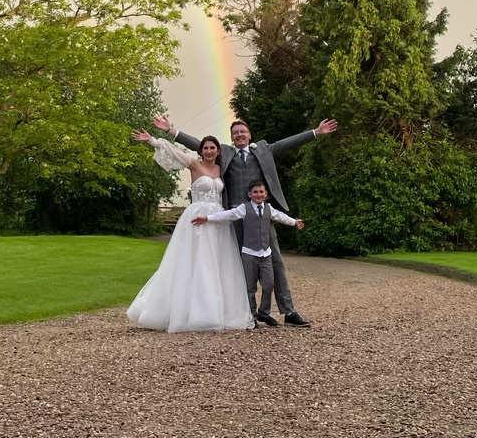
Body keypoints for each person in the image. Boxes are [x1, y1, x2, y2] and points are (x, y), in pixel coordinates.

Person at [153, 114, 338, 327]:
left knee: (275, 262)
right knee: (240, 266)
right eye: (235, 133)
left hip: (261, 217)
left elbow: (288, 143)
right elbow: (200, 144)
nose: (239, 135)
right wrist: (170, 131)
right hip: (234, 217)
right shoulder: (226, 153)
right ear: (232, 138)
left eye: (243, 132)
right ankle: (248, 312)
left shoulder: (264, 149)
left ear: (249, 135)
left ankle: (289, 312)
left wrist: (315, 132)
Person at [126, 128, 254, 333]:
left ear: (218, 151)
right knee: (196, 262)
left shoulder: (221, 169)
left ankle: (216, 310)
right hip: (197, 219)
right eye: (205, 148)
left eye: (213, 148)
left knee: (218, 264)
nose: (209, 151)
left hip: (217, 221)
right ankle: (190, 311)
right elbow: (173, 150)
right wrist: (153, 140)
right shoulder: (194, 165)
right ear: (201, 151)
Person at [192, 179, 305, 328]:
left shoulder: (269, 209)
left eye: (261, 192)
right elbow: (228, 214)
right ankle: (251, 315)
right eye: (255, 192)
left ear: (266, 194)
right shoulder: (244, 208)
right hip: (249, 254)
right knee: (250, 286)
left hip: (265, 254)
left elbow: (280, 216)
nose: (258, 195)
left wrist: (294, 222)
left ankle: (264, 312)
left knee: (268, 283)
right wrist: (208, 218)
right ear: (249, 194)